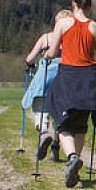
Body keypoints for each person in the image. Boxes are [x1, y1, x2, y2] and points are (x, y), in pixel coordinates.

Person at [45, 0, 96, 188]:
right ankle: (76, 163)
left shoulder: (63, 24)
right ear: (89, 7)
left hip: (68, 76)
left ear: (73, 5)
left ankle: (72, 157)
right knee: (81, 124)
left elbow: (53, 52)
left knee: (62, 124)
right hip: (89, 78)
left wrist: (46, 55)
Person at [23, 9, 72, 162]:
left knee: (40, 110)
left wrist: (30, 63)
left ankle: (44, 133)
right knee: (59, 116)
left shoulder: (46, 38)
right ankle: (56, 147)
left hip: (44, 80)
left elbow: (30, 58)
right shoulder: (71, 41)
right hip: (64, 81)